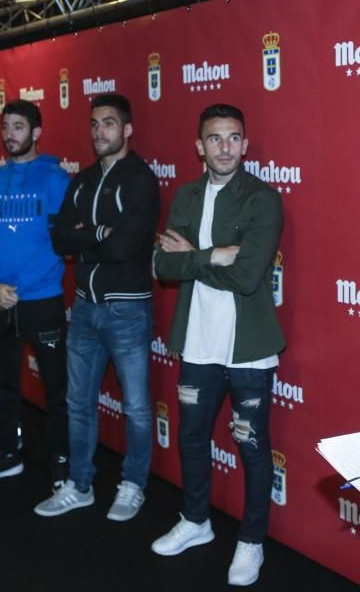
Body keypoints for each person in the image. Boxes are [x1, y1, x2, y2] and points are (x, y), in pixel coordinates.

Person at [151, 104, 285, 587]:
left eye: (233, 138)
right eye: (214, 138)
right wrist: (214, 255)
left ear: (245, 145)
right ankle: (196, 521)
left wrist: (192, 257)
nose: (224, 147)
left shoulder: (263, 199)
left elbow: (248, 276)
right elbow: (162, 266)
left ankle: (251, 543)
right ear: (199, 146)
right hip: (198, 341)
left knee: (251, 446)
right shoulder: (186, 196)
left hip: (248, 346)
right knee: (191, 438)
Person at [37, 94, 159, 518]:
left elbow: (126, 247)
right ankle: (80, 483)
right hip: (86, 307)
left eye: (108, 123)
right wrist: (101, 231)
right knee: (78, 402)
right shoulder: (83, 179)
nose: (99, 131)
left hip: (127, 310)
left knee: (138, 408)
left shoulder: (141, 178)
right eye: (94, 124)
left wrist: (88, 233)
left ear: (127, 129)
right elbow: (59, 239)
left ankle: (132, 484)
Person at [0, 99, 71, 491]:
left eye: (19, 127)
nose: (11, 134)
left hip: (41, 300)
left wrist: (19, 289)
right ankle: (7, 453)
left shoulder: (56, 180)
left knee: (56, 390)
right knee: (2, 386)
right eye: (6, 127)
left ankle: (61, 463)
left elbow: (59, 244)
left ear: (36, 133)